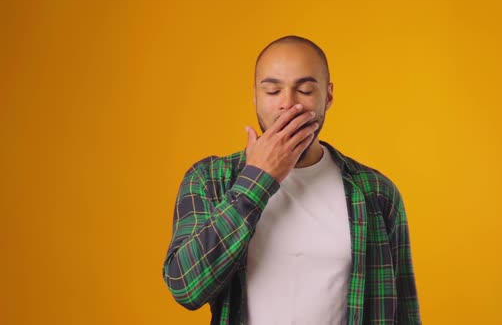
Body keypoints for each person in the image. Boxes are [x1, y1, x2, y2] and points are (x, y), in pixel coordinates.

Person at [162, 35, 422, 325]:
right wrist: (257, 180)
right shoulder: (210, 179)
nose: (289, 104)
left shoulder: (377, 193)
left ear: (329, 96)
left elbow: (405, 312)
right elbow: (186, 287)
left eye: (305, 89)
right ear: (255, 97)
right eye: (272, 91)